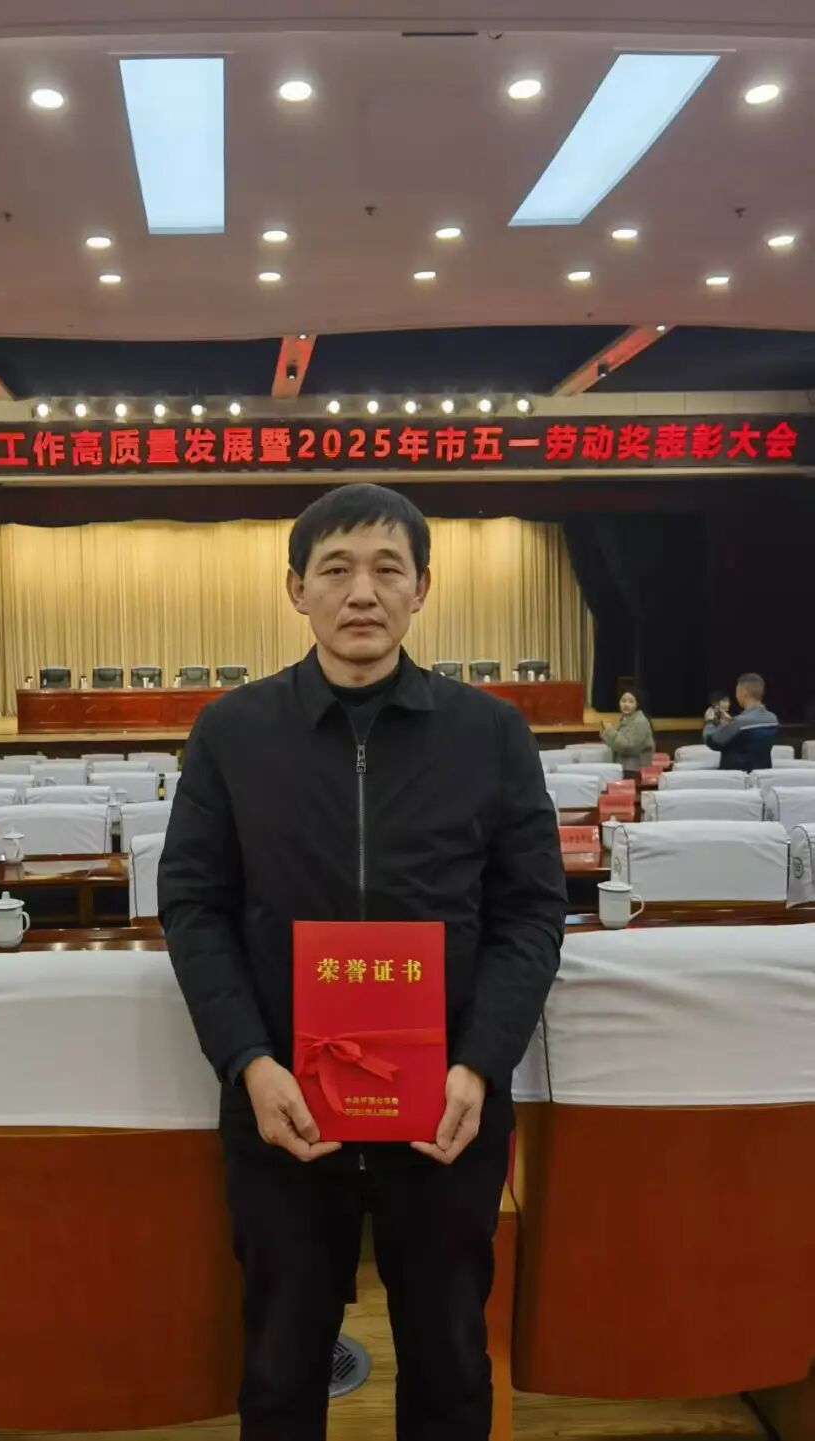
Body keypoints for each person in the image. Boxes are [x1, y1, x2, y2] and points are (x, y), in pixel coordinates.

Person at [159, 483, 567, 1441]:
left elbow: (531, 910)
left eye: (389, 568)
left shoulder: (490, 733)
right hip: (283, 1104)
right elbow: (194, 905)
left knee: (453, 1362)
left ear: (422, 587)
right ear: (296, 589)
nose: (362, 592)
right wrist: (248, 1062)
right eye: (336, 569)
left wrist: (481, 1063)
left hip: (448, 1110)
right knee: (278, 1365)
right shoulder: (232, 732)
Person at [703, 672, 779, 772]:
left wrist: (710, 722)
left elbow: (713, 741)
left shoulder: (738, 723)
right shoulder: (773, 719)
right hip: (762, 776)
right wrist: (731, 722)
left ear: (743, 692)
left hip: (736, 777)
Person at [600, 688, 655, 775]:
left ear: (637, 704)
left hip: (634, 770)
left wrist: (610, 731)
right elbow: (615, 743)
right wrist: (606, 732)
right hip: (624, 767)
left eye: (631, 702)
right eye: (623, 701)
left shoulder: (640, 722)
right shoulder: (625, 719)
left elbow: (628, 747)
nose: (626, 704)